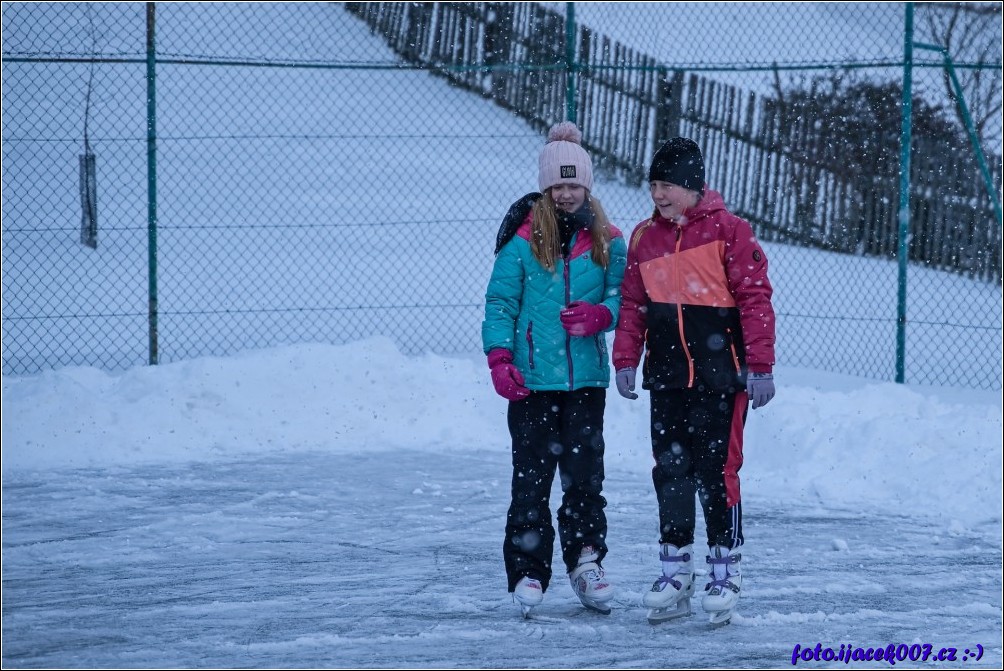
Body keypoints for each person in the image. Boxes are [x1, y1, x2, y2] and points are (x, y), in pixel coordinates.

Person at [612, 137, 776, 626]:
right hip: (667, 377)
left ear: (691, 185)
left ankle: (725, 567)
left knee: (717, 472)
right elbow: (631, 305)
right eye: (653, 184)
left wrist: (761, 367)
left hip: (720, 377)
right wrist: (625, 358)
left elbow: (755, 300)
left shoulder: (730, 232)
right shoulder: (645, 238)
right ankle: (676, 566)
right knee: (670, 469)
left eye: (667, 185)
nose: (658, 194)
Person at [482, 121, 628, 617]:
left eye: (575, 184)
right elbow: (500, 302)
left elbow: (622, 297)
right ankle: (528, 569)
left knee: (585, 477)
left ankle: (586, 560)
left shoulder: (608, 239)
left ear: (587, 186)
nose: (567, 194)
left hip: (585, 382)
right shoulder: (522, 240)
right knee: (531, 478)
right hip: (532, 383)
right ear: (545, 188)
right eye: (558, 185)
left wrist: (601, 316)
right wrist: (501, 359)